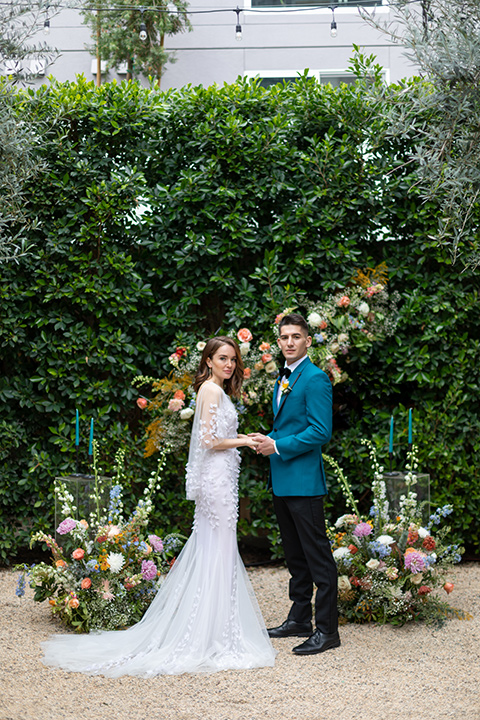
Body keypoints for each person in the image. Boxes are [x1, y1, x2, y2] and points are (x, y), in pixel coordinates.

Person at [41, 337, 276, 676]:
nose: (229, 365)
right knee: (219, 548)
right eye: (223, 358)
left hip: (222, 477)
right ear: (208, 361)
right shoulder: (210, 391)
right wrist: (246, 440)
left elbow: (213, 437)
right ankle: (211, 634)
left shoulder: (218, 391)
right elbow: (209, 441)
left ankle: (214, 629)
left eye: (233, 360)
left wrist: (243, 437)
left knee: (217, 548)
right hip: (216, 480)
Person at [249, 313, 340, 655]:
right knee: (295, 557)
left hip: (304, 483)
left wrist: (278, 446)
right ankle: (300, 619)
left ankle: (327, 631)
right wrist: (266, 439)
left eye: (296, 337)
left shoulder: (315, 379)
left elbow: (320, 431)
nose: (289, 342)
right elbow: (288, 426)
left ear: (307, 341)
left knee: (318, 558)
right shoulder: (282, 378)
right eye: (284, 337)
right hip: (283, 481)